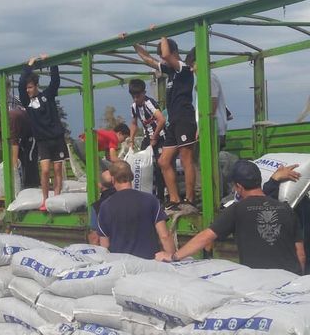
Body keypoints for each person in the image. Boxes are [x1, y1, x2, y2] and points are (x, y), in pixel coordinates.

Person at [156, 160, 305, 274]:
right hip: (290, 279)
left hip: (260, 282)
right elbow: (300, 253)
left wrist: (174, 257)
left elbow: (205, 237)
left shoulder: (237, 209)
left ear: (238, 187)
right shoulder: (286, 209)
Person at [134, 38, 197, 211]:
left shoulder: (183, 68)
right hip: (173, 121)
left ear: (174, 53)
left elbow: (167, 54)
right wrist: (134, 43)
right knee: (163, 161)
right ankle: (175, 199)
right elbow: (148, 60)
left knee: (186, 158)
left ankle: (190, 199)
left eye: (163, 55)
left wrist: (162, 36)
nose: (162, 59)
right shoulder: (170, 72)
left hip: (184, 118)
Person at [18, 54, 68, 211]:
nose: (28, 90)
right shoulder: (27, 102)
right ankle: (45, 200)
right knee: (45, 171)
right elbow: (20, 84)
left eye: (30, 87)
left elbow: (55, 81)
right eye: (27, 88)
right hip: (42, 141)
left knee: (58, 170)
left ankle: (57, 197)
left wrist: (51, 63)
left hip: (57, 138)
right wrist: (29, 66)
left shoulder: (47, 96)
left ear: (36, 86)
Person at [98, 160, 175, 259]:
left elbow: (105, 245)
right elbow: (165, 236)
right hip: (148, 262)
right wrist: (173, 258)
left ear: (113, 179)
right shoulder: (150, 200)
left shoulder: (105, 206)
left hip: (120, 264)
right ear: (132, 176)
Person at [128, 78, 166, 201]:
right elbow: (134, 124)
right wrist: (131, 140)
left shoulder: (149, 103)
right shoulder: (134, 107)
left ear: (143, 93)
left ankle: (160, 197)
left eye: (138, 96)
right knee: (142, 164)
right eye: (133, 96)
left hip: (159, 137)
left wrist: (155, 137)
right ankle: (144, 194)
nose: (135, 99)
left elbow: (161, 120)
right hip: (147, 138)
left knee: (159, 166)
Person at [0, 103, 40, 188]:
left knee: (29, 159)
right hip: (21, 136)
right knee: (19, 159)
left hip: (31, 133)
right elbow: (2, 140)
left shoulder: (12, 119)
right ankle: (20, 185)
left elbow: (14, 142)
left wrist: (14, 166)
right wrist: (7, 158)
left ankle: (32, 185)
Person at [186, 47, 228, 150]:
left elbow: (212, 104)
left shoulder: (210, 78)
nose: (191, 69)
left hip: (212, 129)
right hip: (208, 128)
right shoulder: (204, 79)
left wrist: (202, 126)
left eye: (192, 66)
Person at [88, 170, 115, 245]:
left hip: (108, 248)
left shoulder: (96, 206)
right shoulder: (127, 199)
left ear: (100, 185)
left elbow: (95, 238)